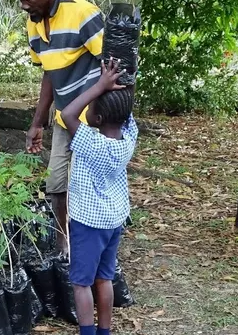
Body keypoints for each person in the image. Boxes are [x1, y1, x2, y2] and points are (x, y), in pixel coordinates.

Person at [3, 0, 105, 254]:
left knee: (90, 184)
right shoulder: (33, 24)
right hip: (64, 117)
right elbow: (49, 71)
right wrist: (38, 122)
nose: (24, 6)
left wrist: (106, 119)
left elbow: (112, 68)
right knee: (56, 182)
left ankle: (95, 243)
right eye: (19, 0)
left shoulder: (83, 14)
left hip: (94, 118)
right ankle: (64, 243)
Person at [60, 58, 138, 335]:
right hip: (113, 220)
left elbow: (67, 115)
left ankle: (87, 332)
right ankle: (104, 331)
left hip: (87, 223)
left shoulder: (92, 143)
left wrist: (99, 86)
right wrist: (123, 82)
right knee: (104, 279)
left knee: (82, 282)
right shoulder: (128, 139)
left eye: (91, 108)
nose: (87, 112)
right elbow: (127, 114)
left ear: (99, 119)